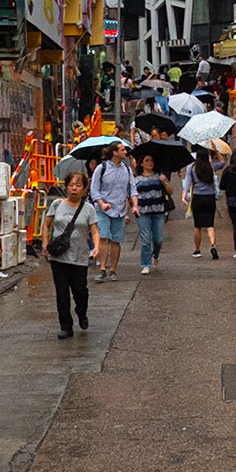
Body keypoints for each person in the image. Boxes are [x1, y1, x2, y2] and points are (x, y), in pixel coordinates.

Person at [39, 171, 101, 339]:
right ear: (66, 187)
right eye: (71, 185)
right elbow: (46, 225)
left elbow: (94, 231)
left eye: (78, 185)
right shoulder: (57, 205)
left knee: (80, 291)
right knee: (62, 293)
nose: (74, 189)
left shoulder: (88, 209)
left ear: (84, 189)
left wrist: (96, 247)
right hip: (58, 257)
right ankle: (66, 326)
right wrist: (45, 244)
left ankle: (82, 313)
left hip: (79, 256)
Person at [88, 142, 135, 281]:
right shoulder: (101, 168)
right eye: (122, 150)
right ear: (114, 152)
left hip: (119, 209)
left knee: (116, 240)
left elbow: (132, 188)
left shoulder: (126, 169)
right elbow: (94, 189)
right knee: (104, 237)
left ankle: (113, 270)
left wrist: (135, 204)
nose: (125, 152)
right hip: (103, 209)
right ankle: (102, 268)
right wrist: (102, 204)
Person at [131, 151, 173, 274]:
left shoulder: (159, 176)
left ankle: (155, 255)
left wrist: (164, 181)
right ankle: (145, 264)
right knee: (145, 239)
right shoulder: (136, 179)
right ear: (142, 164)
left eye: (152, 161)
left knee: (158, 239)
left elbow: (170, 192)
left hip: (158, 211)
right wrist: (131, 208)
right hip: (143, 212)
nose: (150, 163)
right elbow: (132, 195)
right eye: (147, 161)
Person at [186, 147, 220, 258]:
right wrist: (217, 151)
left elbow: (187, 183)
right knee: (210, 225)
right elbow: (223, 163)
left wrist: (183, 195)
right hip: (210, 197)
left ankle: (197, 250)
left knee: (197, 226)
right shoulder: (211, 167)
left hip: (197, 198)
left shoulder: (192, 168)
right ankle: (213, 245)